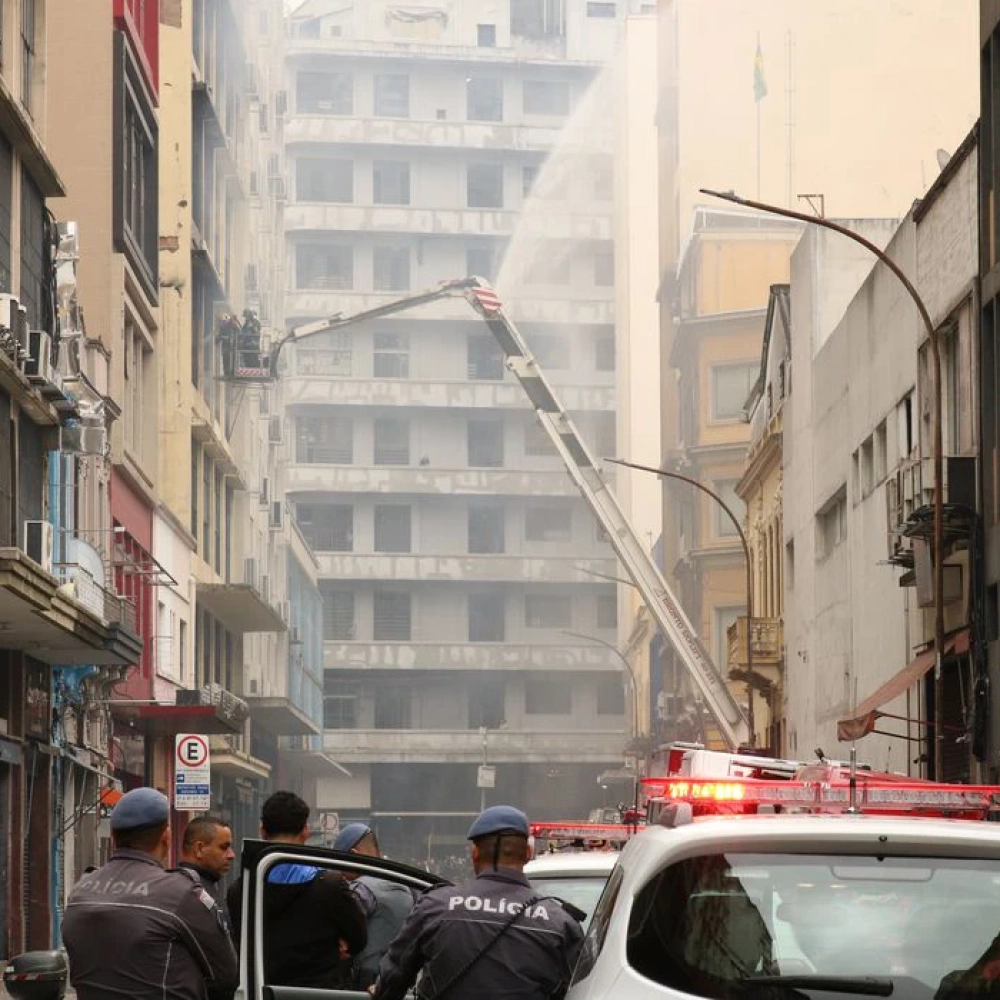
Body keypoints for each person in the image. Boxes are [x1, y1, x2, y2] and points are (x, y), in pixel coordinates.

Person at [372, 805, 584, 1000]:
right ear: (528, 854)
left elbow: (392, 981)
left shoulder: (435, 906)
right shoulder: (560, 924)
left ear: (474, 854)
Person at [62, 787, 238, 1000]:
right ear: (166, 837)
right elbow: (226, 975)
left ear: (113, 837)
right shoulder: (181, 893)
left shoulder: (81, 891)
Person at [227, 790, 367, 989]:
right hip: (319, 994)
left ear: (262, 831)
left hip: (262, 992)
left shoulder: (241, 891)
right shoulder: (330, 886)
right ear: (305, 831)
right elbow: (359, 939)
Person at [334, 822, 415, 989]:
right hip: (397, 981)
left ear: (354, 855)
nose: (340, 874)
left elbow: (340, 930)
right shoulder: (404, 882)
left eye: (340, 866)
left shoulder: (363, 888)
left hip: (366, 982)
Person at [177, 816, 237, 1000]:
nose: (231, 854)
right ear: (199, 849)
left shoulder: (201, 888)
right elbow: (223, 971)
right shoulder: (195, 895)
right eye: (223, 847)